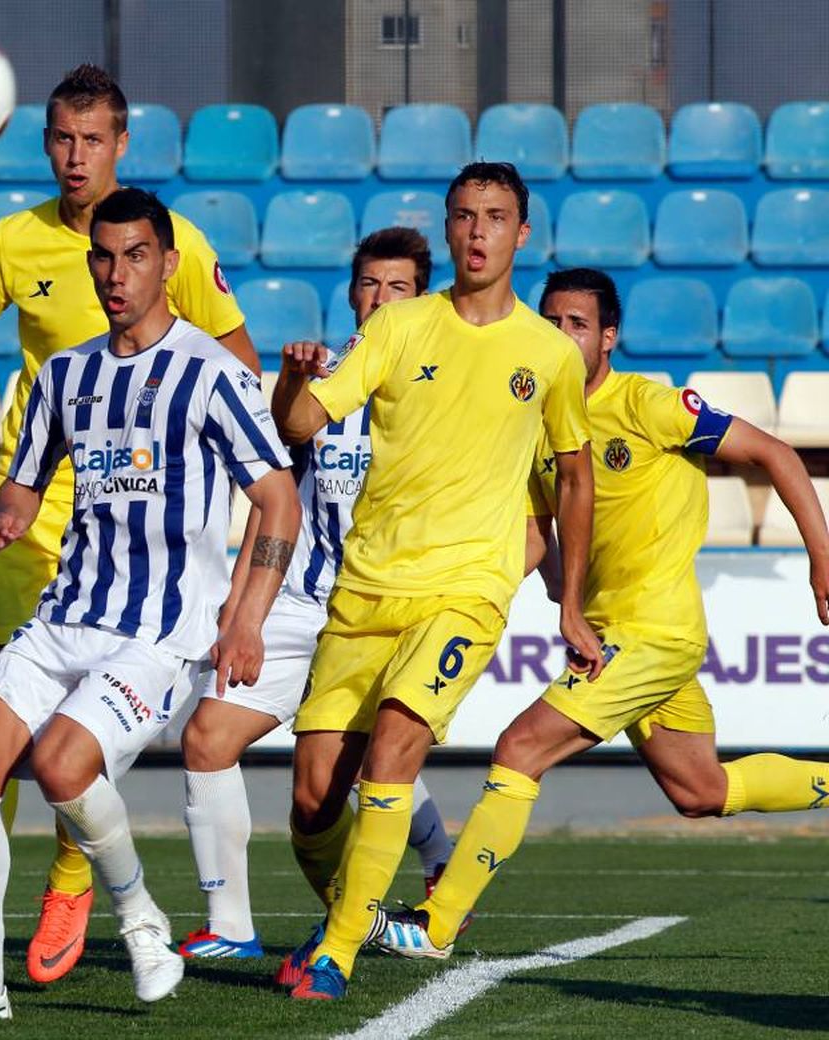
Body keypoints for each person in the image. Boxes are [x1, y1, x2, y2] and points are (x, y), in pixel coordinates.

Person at [0, 188, 299, 1022]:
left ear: (169, 265)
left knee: (60, 766)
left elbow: (278, 501)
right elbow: (24, 483)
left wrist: (247, 617)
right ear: (91, 266)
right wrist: (5, 517)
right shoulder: (64, 375)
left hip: (156, 632)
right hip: (63, 614)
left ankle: (139, 917)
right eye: (106, 258)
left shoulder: (213, 375)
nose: (119, 274)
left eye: (137, 256)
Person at [374, 267, 829, 959]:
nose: (560, 336)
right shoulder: (536, 426)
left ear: (608, 336)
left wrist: (821, 562)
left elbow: (776, 454)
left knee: (520, 748)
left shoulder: (648, 405)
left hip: (656, 635)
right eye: (550, 322)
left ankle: (437, 926)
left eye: (577, 325)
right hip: (614, 636)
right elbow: (535, 539)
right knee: (700, 790)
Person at [276, 161, 600, 1001]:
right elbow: (303, 423)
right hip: (367, 589)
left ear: (521, 234)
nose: (478, 231)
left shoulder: (548, 354)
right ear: (449, 228)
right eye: (464, 216)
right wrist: (293, 376)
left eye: (495, 216)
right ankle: (354, 911)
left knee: (396, 742)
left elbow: (574, 478)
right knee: (313, 804)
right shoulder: (396, 328)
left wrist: (568, 605)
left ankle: (337, 953)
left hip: (466, 589)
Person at [175, 229, 456, 962]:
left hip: (382, 605)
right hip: (300, 603)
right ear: (351, 291)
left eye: (398, 287)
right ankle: (233, 924)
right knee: (206, 739)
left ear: (421, 297)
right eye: (369, 284)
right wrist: (243, 615)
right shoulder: (327, 376)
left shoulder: (446, 381)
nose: (379, 299)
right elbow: (275, 467)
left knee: (350, 781)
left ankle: (432, 868)